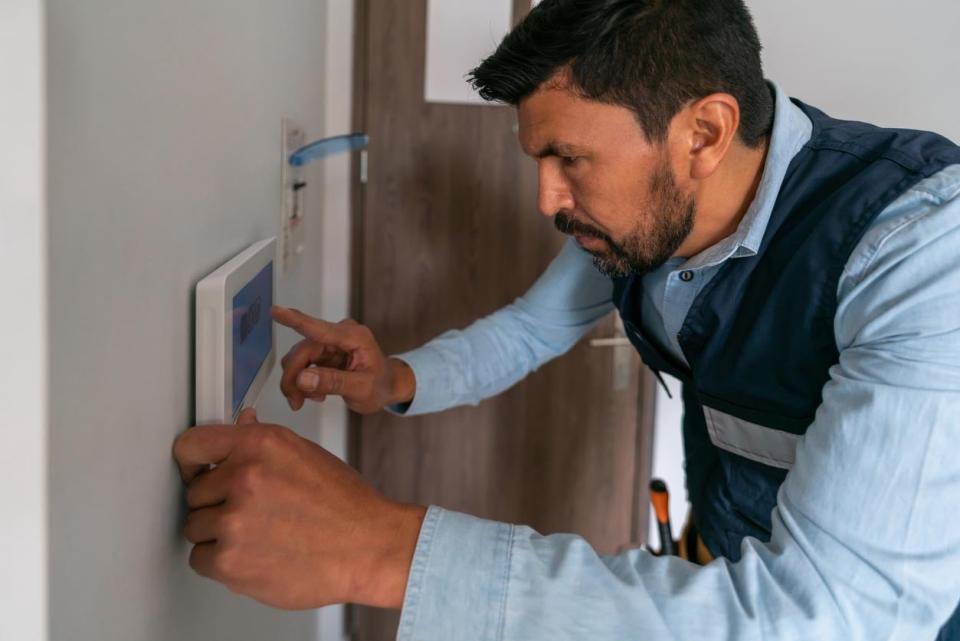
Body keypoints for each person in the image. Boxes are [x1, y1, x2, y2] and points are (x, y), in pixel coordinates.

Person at [172, 0, 960, 639]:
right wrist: (395, 379)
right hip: (726, 552)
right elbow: (531, 328)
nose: (547, 199)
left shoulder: (924, 249)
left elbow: (835, 617)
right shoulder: (644, 214)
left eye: (570, 159)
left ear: (704, 133)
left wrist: (383, 549)